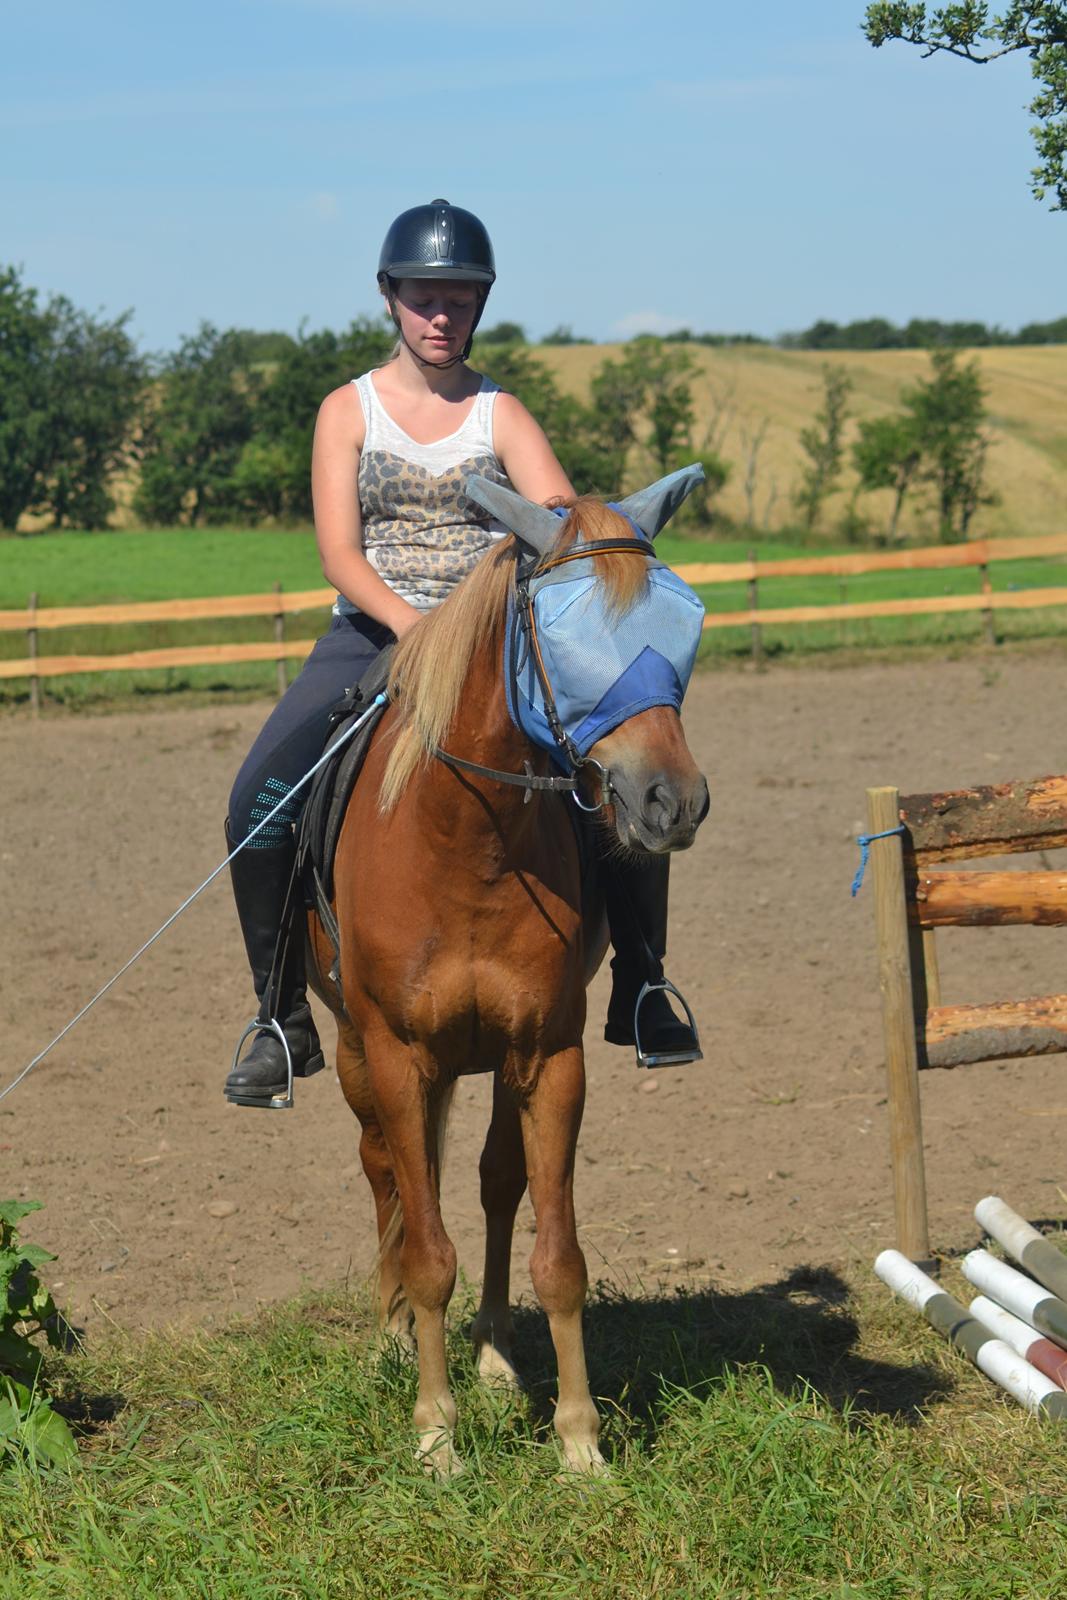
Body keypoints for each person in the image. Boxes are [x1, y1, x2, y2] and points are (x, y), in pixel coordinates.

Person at [224, 198, 700, 1108]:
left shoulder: (501, 413)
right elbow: (339, 554)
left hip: (501, 644)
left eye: (458, 299)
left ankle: (641, 982)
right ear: (390, 299)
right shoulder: (347, 410)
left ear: (479, 305)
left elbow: (560, 533)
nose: (440, 315)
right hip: (377, 634)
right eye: (422, 298)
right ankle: (277, 1017)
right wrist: (414, 629)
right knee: (257, 797)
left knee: (615, 768)